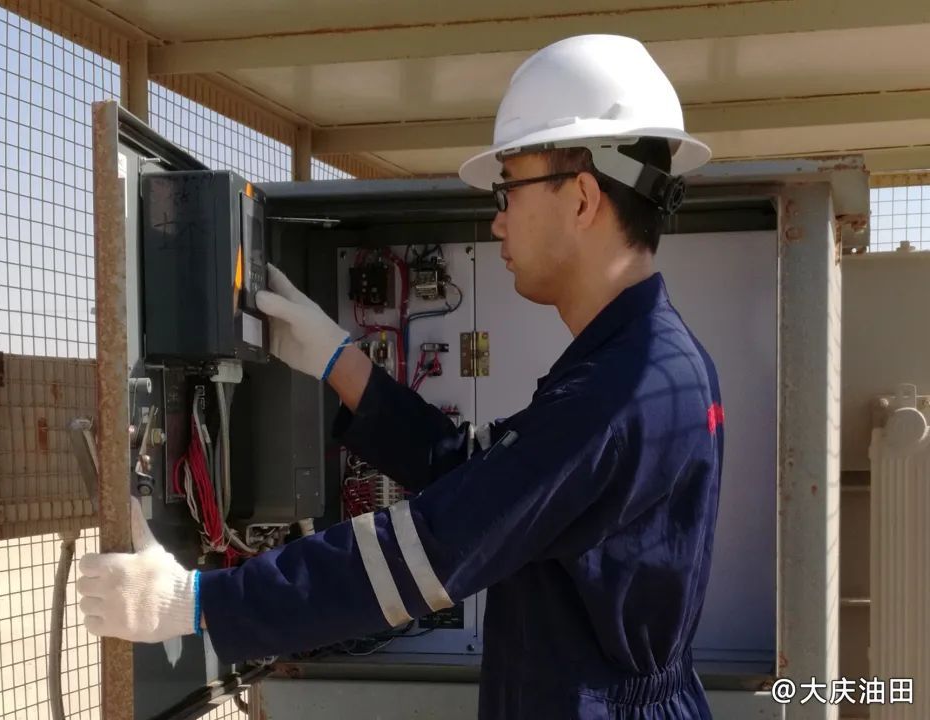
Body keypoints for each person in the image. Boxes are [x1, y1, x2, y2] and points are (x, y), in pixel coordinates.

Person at [77, 34, 723, 719]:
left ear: (584, 198)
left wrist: (199, 603)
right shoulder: (646, 360)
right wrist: (341, 363)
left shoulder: (620, 388)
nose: (498, 222)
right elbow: (485, 481)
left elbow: (434, 546)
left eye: (508, 189)